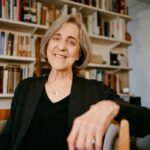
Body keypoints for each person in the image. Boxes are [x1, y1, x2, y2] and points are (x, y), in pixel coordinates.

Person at [0, 14, 150, 150]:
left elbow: (146, 122)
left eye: (71, 42)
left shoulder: (95, 91)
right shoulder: (25, 87)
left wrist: (112, 107)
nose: (61, 46)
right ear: (47, 44)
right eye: (56, 38)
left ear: (79, 53)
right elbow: (8, 138)